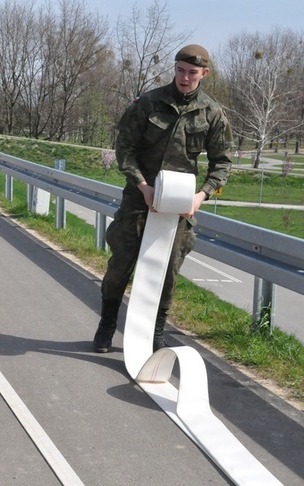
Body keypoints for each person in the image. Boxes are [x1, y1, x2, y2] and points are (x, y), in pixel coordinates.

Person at [92, 44, 233, 353]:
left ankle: (156, 332)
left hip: (180, 204)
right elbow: (124, 148)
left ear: (204, 74)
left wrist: (201, 195)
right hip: (139, 197)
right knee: (121, 264)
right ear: (174, 69)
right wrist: (143, 186)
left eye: (192, 73)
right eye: (180, 70)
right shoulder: (149, 103)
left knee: (168, 269)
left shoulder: (212, 113)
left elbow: (222, 163)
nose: (185, 78)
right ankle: (107, 324)